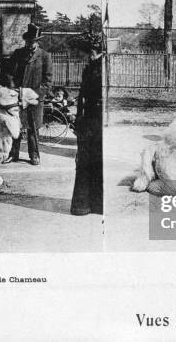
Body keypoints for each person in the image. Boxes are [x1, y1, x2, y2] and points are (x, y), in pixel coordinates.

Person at [2, 23, 52, 166]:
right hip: (18, 95)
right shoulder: (18, 54)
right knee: (15, 125)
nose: (30, 44)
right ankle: (13, 153)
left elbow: (48, 81)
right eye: (28, 41)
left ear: (37, 41)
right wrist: (13, 87)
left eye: (33, 41)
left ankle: (34, 155)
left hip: (35, 99)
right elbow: (8, 72)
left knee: (33, 128)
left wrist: (35, 94)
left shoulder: (45, 56)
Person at [70, 32, 103, 216]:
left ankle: (83, 205)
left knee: (85, 162)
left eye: (85, 53)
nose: (83, 57)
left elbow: (86, 97)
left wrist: (80, 118)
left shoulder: (95, 69)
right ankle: (95, 205)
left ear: (91, 51)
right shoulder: (95, 67)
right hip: (94, 121)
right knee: (96, 161)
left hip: (92, 121)